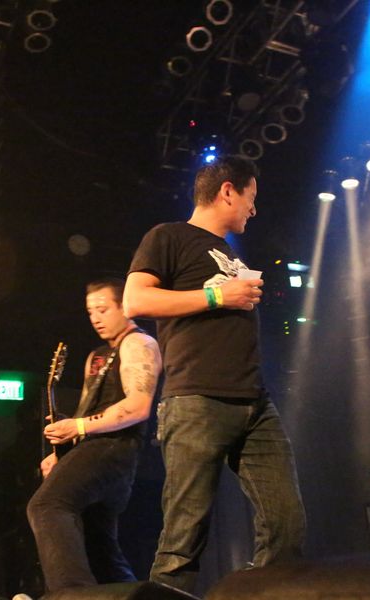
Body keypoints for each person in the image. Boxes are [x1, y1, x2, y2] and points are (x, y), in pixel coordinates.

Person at [123, 156, 306, 593]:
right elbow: (135, 301)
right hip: (196, 400)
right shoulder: (168, 236)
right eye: (250, 197)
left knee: (286, 523)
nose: (254, 209)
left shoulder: (230, 252)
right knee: (183, 540)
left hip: (255, 403)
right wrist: (217, 296)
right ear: (227, 191)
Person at [26, 278, 162, 593]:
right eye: (90, 312)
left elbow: (138, 405)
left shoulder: (139, 343)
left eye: (102, 309)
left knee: (47, 505)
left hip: (115, 449)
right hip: (95, 447)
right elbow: (86, 412)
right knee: (98, 545)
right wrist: (66, 446)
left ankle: (71, 593)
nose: (95, 318)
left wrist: (80, 427)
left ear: (124, 307)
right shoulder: (97, 356)